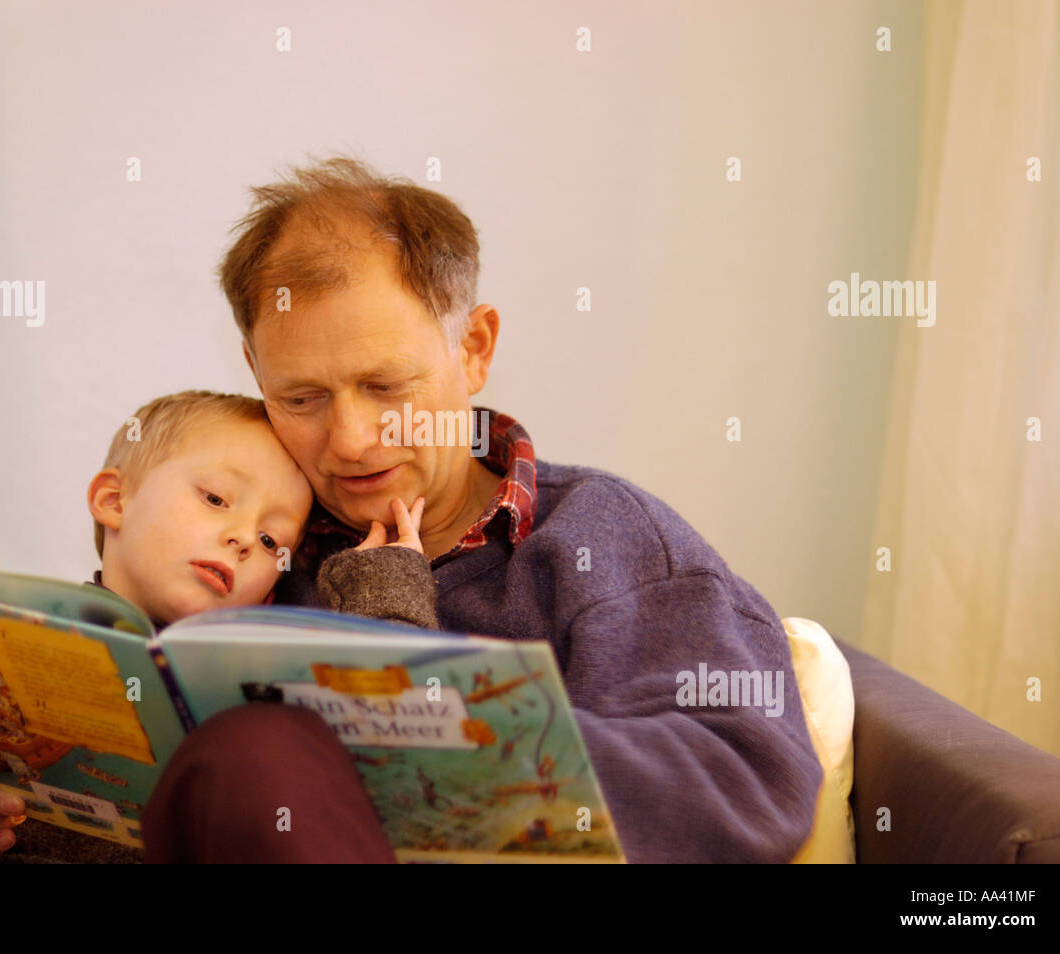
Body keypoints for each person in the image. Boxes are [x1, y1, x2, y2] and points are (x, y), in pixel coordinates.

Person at [213, 155, 826, 863]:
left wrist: (440, 740)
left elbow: (743, 783)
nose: (349, 442)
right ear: (256, 373)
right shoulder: (254, 550)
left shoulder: (602, 540)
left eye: (385, 386)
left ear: (473, 350)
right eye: (301, 398)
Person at [0, 391, 432, 863]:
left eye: (271, 540)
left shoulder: (258, 679)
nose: (241, 538)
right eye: (214, 499)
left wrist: (387, 590)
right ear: (113, 499)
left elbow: (392, 765)